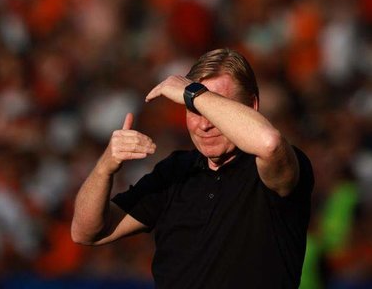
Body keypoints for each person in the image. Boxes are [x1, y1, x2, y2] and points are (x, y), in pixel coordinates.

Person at [70, 48, 314, 288]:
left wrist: (192, 93)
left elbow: (269, 143)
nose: (205, 124)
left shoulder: (275, 168)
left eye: (215, 108)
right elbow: (86, 232)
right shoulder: (176, 171)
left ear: (252, 105)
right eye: (194, 110)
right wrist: (105, 168)